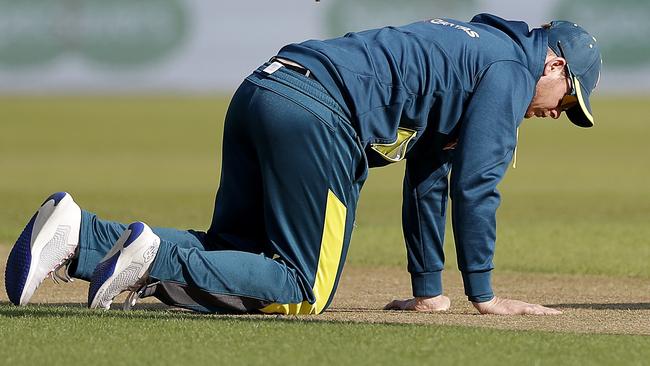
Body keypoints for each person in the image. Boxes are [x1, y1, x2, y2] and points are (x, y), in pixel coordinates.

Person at [4, 13, 602, 315]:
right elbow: (477, 184)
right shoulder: (512, 70)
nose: (556, 114)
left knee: (232, 248)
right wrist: (485, 294)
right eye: (568, 100)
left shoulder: (476, 52)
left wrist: (428, 291)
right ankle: (154, 258)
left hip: (264, 88)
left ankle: (79, 234)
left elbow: (429, 179)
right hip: (318, 115)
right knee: (301, 289)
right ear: (553, 67)